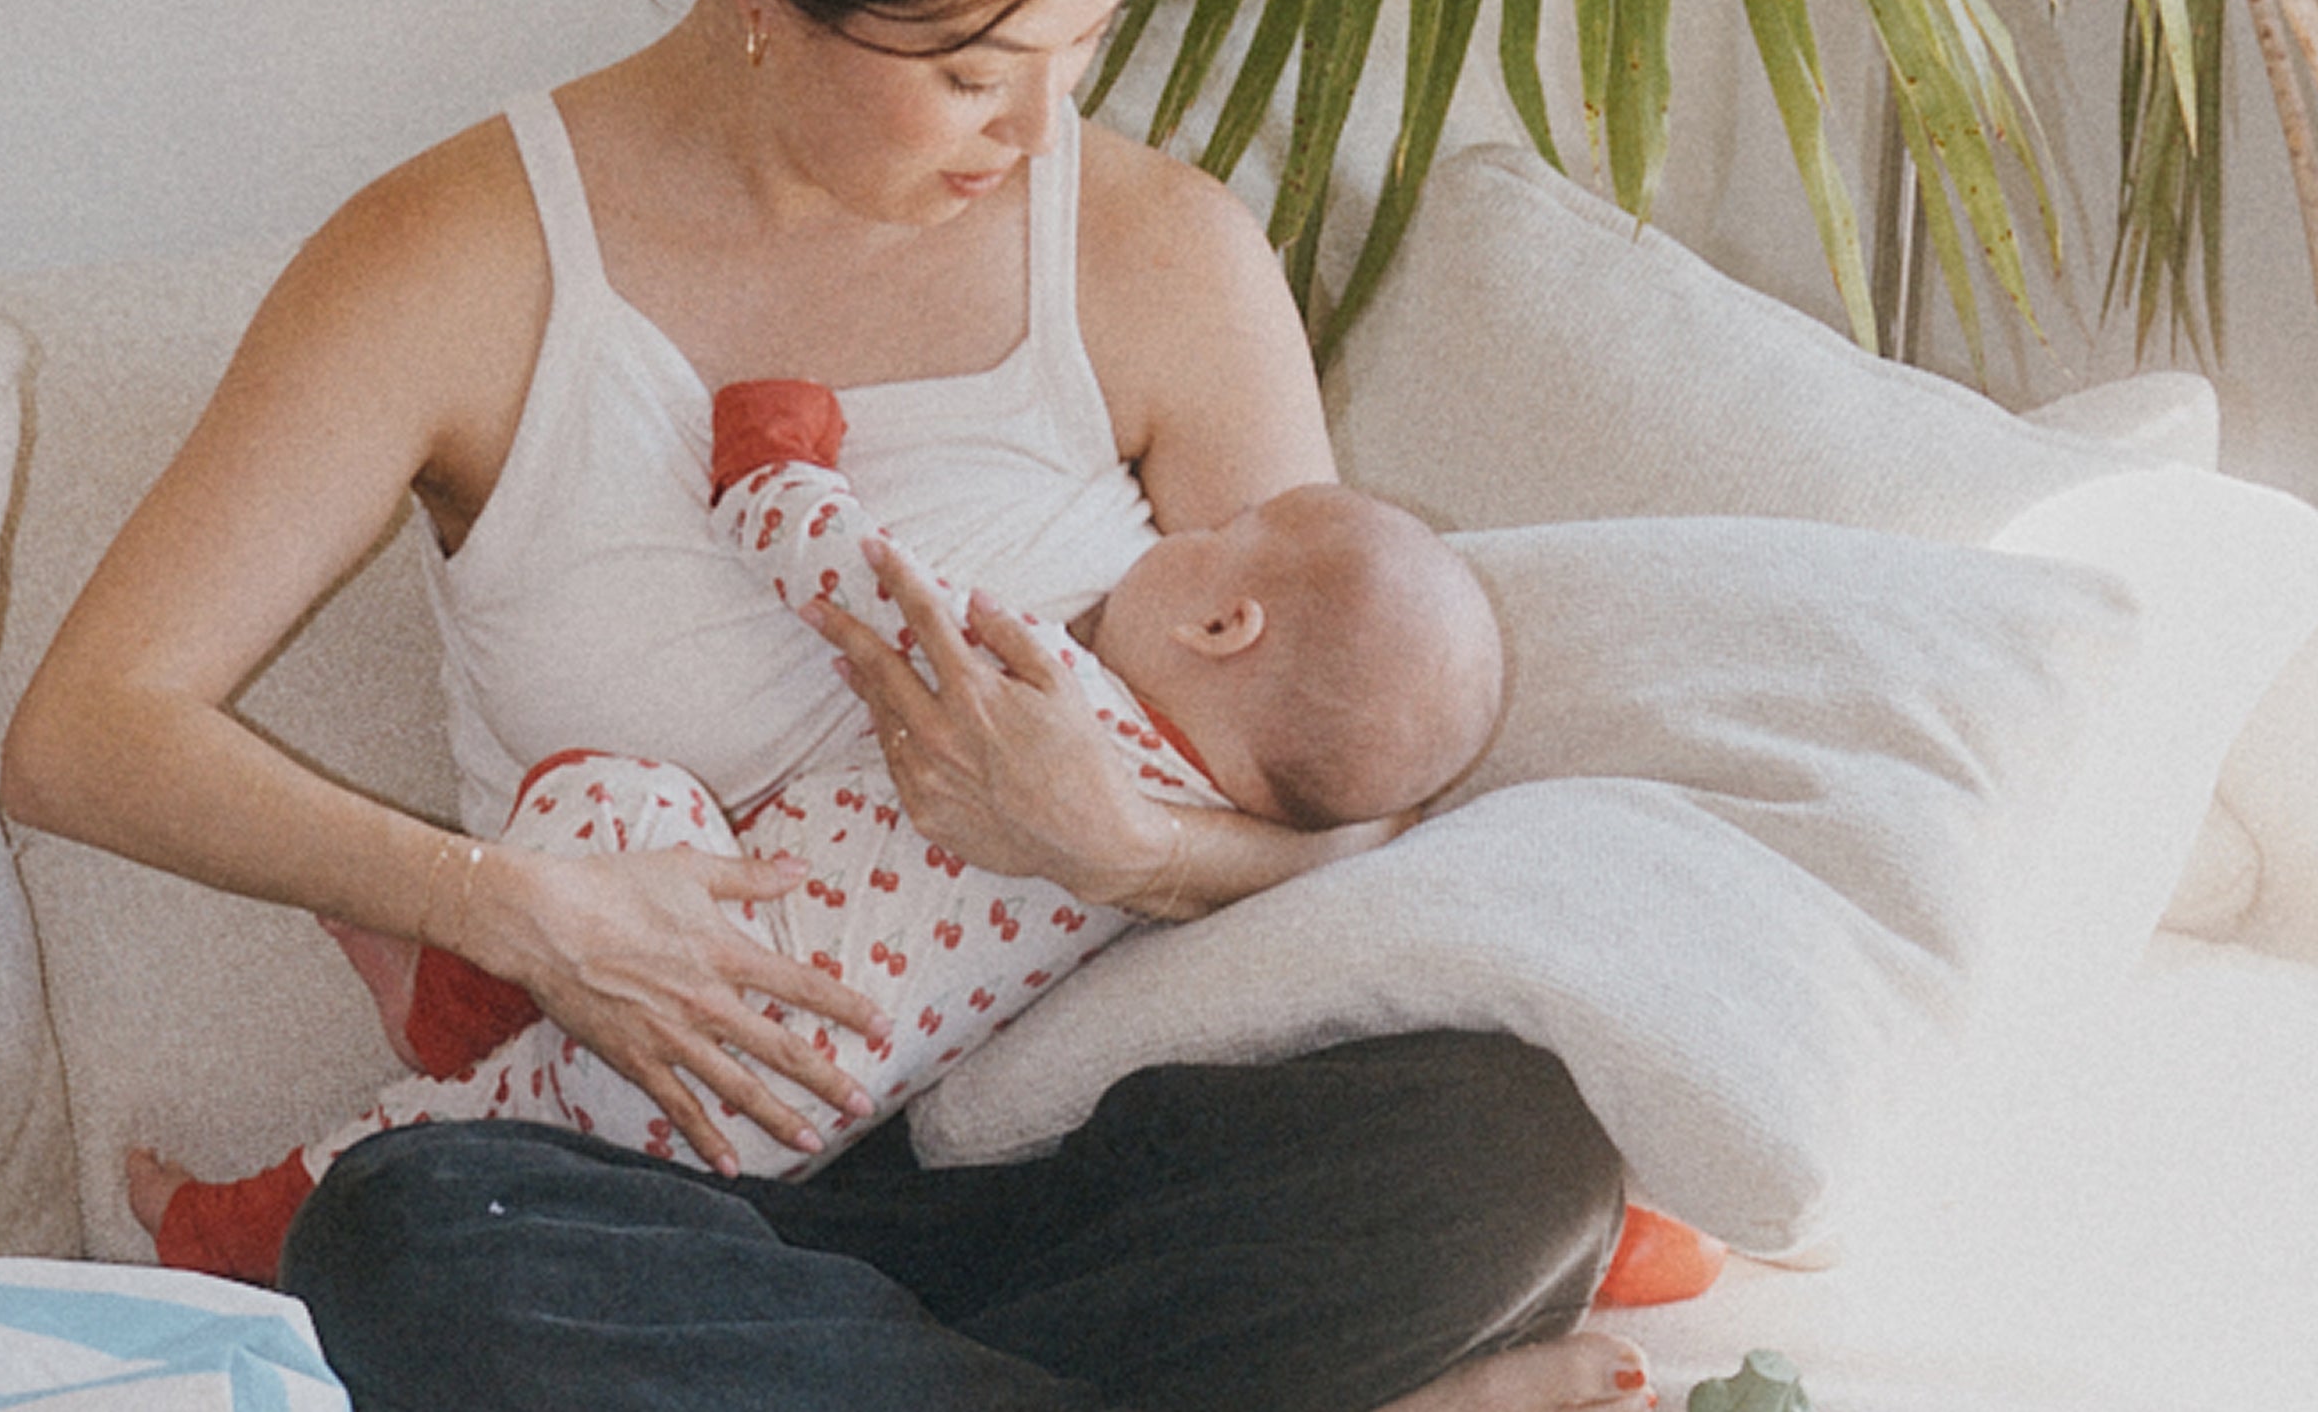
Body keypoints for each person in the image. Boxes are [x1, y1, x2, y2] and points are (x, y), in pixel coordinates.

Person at [0, 0, 1647, 1407]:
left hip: (1059, 1156)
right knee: (410, 1240)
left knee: (1512, 1157)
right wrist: (516, 909)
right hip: (671, 1183)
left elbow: (1354, 823)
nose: (1043, 123)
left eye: (1085, 44)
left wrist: (1134, 851)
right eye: (971, 68)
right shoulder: (455, 259)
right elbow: (85, 736)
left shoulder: (1161, 254)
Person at [124, 375, 1510, 1281]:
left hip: (704, 983)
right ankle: (388, 1072)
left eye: (1231, 529)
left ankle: (287, 1164)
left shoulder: (1053, 696)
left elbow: (859, 594)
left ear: (1224, 622)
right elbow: (1371, 835)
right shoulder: (1210, 845)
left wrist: (772, 456)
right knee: (458, 1131)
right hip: (790, 1124)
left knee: (617, 801)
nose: (1185, 529)